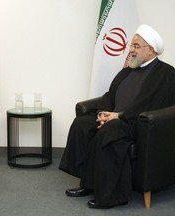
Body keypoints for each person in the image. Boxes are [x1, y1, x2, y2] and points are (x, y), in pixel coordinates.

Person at [59, 24, 175, 209]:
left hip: (138, 124)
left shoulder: (166, 73)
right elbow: (110, 96)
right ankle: (87, 183)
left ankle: (111, 195)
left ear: (151, 50)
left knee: (110, 131)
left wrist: (119, 116)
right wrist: (103, 113)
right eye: (131, 45)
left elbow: (152, 104)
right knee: (82, 124)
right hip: (116, 117)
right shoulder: (129, 69)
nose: (131, 50)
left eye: (136, 46)